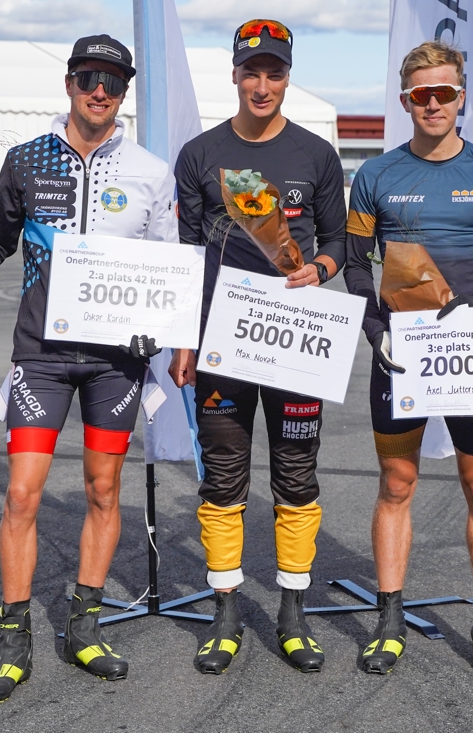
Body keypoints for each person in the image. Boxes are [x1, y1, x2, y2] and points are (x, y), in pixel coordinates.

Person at [0, 34, 177, 704]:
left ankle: (84, 626)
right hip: (43, 353)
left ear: (124, 94)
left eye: (114, 83)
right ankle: (13, 638)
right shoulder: (27, 158)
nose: (100, 91)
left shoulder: (149, 168)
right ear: (69, 83)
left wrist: (164, 329)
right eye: (90, 78)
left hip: (118, 362)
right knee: (23, 494)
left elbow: (166, 266)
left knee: (102, 491)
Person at [342, 41, 473, 677]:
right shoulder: (375, 176)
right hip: (401, 351)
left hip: (470, 352)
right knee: (396, 483)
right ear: (405, 100)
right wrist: (376, 326)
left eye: (445, 93)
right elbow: (353, 265)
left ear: (462, 97)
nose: (433, 104)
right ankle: (389, 619)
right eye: (420, 94)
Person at [169, 19, 347, 675]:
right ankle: (225, 614)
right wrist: (183, 338)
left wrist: (320, 271)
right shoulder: (200, 154)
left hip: (297, 340)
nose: (262, 83)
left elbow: (342, 242)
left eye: (274, 71)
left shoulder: (315, 154)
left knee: (297, 477)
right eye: (252, 71)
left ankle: (293, 613)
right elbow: (186, 254)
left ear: (287, 75)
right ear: (236, 75)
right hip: (221, 342)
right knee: (223, 477)